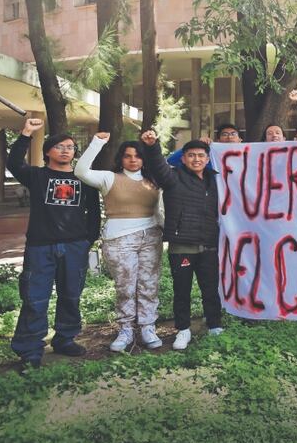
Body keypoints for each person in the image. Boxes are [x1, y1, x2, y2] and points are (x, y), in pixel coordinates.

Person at [7, 118, 101, 369]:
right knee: (35, 298)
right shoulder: (37, 176)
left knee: (71, 295)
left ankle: (65, 338)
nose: (66, 150)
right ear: (48, 152)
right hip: (40, 247)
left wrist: (87, 240)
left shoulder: (84, 179)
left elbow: (93, 212)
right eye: (60, 146)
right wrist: (26, 133)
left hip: (74, 247)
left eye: (70, 147)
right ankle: (30, 349)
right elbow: (14, 163)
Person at [74, 133, 164, 352]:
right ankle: (125, 329)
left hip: (151, 236)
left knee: (148, 285)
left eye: (138, 156)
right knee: (125, 286)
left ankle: (147, 327)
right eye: (127, 156)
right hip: (119, 239)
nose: (133, 160)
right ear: (120, 159)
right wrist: (97, 142)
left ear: (144, 159)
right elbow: (81, 171)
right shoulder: (109, 178)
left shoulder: (155, 178)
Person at [141, 129, 224, 350]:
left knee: (210, 287)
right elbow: (158, 165)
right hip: (182, 245)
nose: (197, 159)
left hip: (209, 243)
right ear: (184, 158)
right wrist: (152, 146)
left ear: (207, 159)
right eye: (191, 155)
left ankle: (215, 325)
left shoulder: (216, 180)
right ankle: (183, 329)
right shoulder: (173, 177)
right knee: (182, 289)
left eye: (201, 156)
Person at [167, 122, 242, 168]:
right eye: (225, 134)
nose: (229, 137)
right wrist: (197, 145)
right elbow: (172, 160)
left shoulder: (248, 157)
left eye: (233, 134)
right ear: (218, 140)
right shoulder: (209, 157)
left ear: (240, 140)